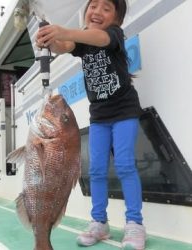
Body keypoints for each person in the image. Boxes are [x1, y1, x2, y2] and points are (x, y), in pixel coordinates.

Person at [36, 0, 146, 249]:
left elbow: (98, 37)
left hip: (125, 111)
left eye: (106, 8)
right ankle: (99, 222)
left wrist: (63, 30)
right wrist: (49, 39)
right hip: (99, 115)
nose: (97, 11)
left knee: (125, 165)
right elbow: (64, 45)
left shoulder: (113, 35)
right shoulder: (83, 41)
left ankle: (135, 224)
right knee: (96, 170)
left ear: (116, 19)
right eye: (93, 5)